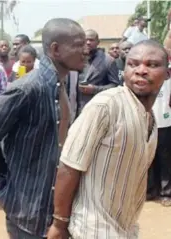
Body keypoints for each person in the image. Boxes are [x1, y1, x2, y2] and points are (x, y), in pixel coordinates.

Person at [0, 18, 86, 239]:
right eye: (78, 45)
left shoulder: (60, 85)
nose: (85, 50)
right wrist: (3, 181)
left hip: (52, 210)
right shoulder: (28, 88)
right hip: (27, 213)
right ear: (56, 49)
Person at [48, 40, 168, 239]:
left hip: (125, 229)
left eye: (152, 65)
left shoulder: (150, 119)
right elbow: (69, 166)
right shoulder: (106, 105)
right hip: (91, 229)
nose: (141, 70)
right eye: (133, 64)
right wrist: (59, 224)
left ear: (167, 74)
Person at [77, 29, 120, 114]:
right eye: (85, 40)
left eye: (91, 40)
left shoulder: (108, 61)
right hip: (75, 110)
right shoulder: (74, 59)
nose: (88, 42)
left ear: (98, 42)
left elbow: (115, 86)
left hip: (97, 109)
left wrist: (95, 89)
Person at [147, 60, 171, 206]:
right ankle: (149, 191)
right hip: (147, 121)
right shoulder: (145, 75)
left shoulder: (168, 75)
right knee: (148, 157)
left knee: (164, 157)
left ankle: (165, 192)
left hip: (166, 121)